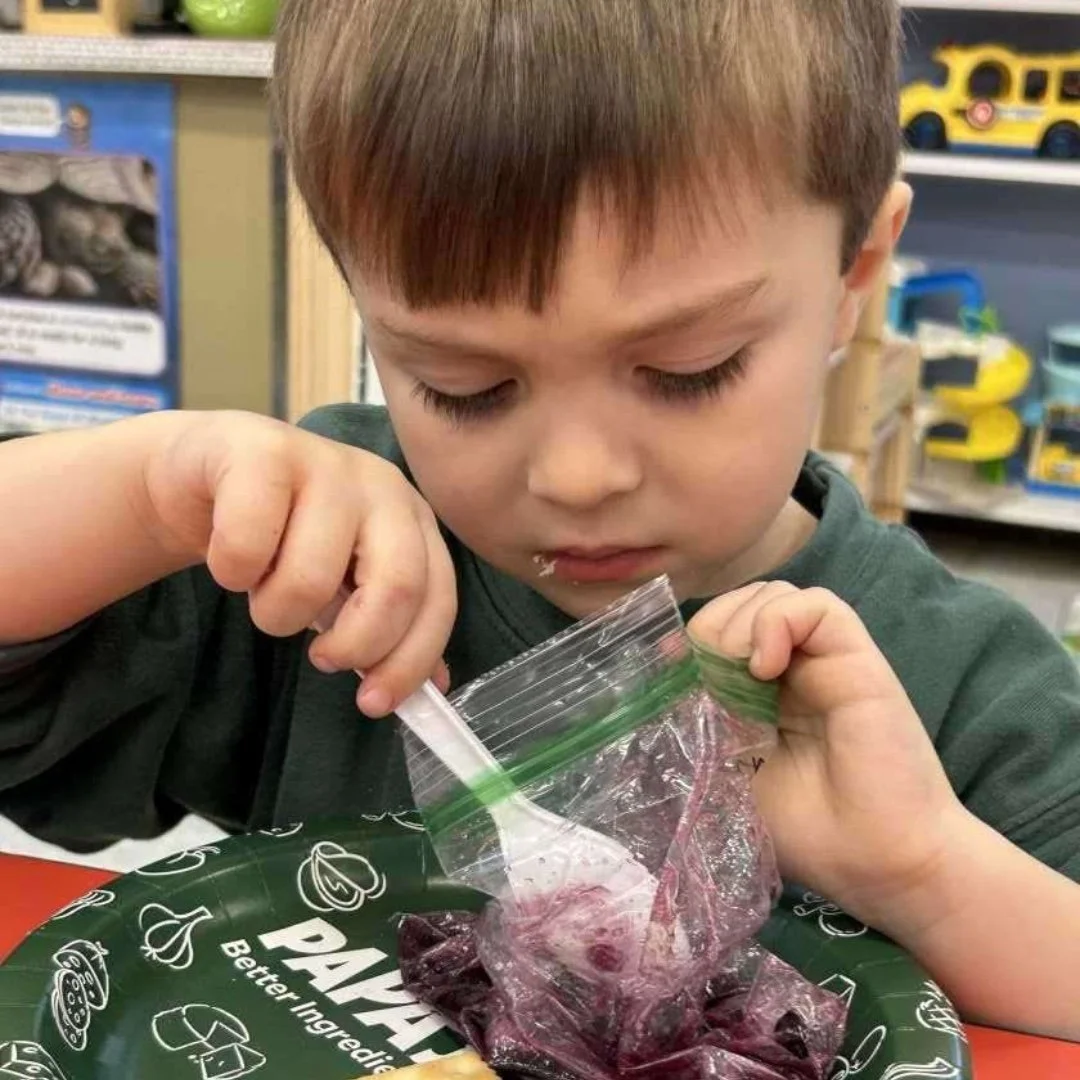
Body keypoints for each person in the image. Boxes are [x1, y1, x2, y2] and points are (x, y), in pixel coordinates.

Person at [1, 0, 1078, 1041]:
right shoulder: (311, 565)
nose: (576, 476)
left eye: (688, 371)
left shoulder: (973, 690)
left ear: (857, 273)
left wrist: (926, 875)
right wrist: (149, 494)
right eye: (463, 385)